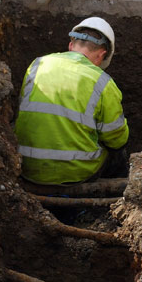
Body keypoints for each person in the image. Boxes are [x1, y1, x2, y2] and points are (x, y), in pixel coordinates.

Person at [14, 17, 129, 185]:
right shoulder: (102, 82)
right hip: (76, 174)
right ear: (102, 54)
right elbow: (116, 139)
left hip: (28, 167)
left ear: (70, 45)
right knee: (118, 153)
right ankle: (112, 204)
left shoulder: (37, 65)